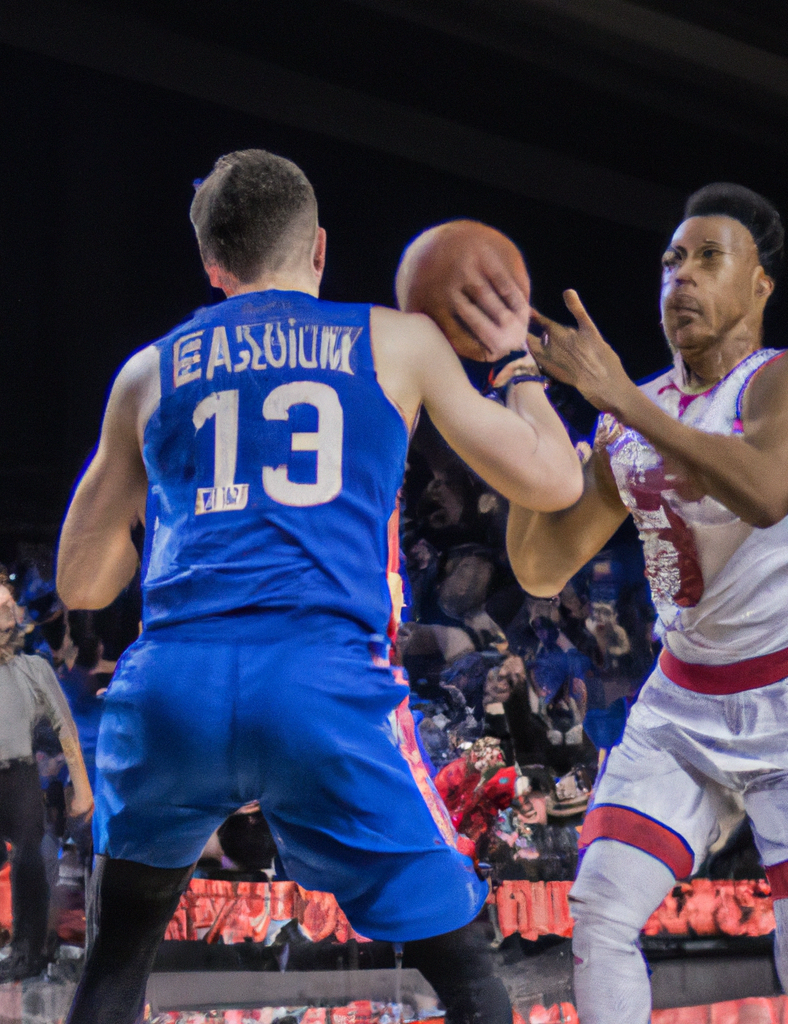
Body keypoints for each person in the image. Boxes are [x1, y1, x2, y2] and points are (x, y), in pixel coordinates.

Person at [56, 149, 582, 1023]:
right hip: (321, 682)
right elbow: (554, 481)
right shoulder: (398, 339)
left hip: (177, 684)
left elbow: (82, 579)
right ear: (320, 248)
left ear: (211, 263)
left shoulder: (148, 372)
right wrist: (514, 362)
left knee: (115, 965)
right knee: (465, 967)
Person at [465, 183, 788, 1023]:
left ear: (761, 283)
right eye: (670, 260)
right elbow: (542, 567)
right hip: (683, 699)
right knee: (599, 908)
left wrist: (616, 396)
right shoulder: (635, 414)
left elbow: (766, 489)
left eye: (705, 257)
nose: (680, 276)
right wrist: (525, 403)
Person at [0, 575, 93, 982]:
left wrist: (82, 787)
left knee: (29, 858)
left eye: (8, 604)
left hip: (17, 772)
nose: (6, 610)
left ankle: (28, 950)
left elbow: (64, 727)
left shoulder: (34, 669)